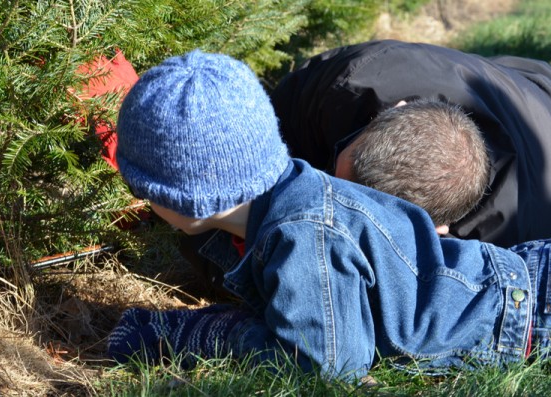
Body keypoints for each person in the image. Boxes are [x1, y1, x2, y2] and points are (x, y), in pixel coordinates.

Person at [106, 49, 551, 382]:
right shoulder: (294, 199)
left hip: (531, 315)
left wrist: (205, 333)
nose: (139, 196)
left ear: (188, 200)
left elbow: (328, 366)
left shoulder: (303, 234)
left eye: (141, 186)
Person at [270, 39, 551, 248]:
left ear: (436, 228)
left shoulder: (489, 258)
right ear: (393, 110)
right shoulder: (362, 75)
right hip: (537, 86)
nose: (330, 184)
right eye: (346, 151)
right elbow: (278, 120)